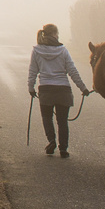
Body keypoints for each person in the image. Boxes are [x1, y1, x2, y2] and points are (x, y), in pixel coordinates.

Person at [28, 23, 90, 157]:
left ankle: (51, 140)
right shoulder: (63, 50)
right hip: (63, 90)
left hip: (45, 89)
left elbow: (33, 71)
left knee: (47, 118)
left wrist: (30, 87)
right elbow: (72, 71)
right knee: (62, 121)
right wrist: (83, 88)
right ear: (55, 35)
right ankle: (63, 149)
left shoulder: (37, 50)